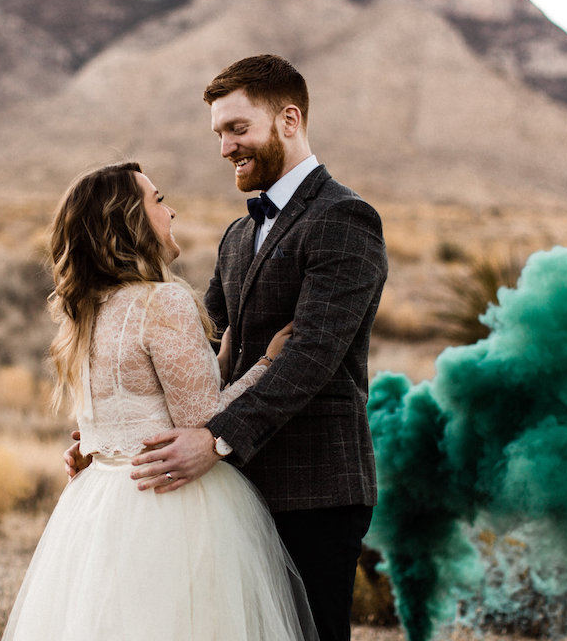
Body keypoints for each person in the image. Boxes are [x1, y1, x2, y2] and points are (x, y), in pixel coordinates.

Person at [67, 55, 389, 641]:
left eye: (238, 129)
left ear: (288, 120)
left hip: (312, 484)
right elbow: (195, 340)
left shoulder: (344, 218)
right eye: (218, 133)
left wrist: (215, 439)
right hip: (230, 485)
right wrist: (116, 427)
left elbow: (311, 355)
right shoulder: (240, 233)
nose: (225, 148)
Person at [4, 161, 316, 641]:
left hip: (99, 503)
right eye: (158, 200)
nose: (170, 212)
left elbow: (123, 409)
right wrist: (266, 365)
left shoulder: (86, 311)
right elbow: (203, 423)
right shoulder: (161, 303)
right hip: (169, 503)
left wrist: (219, 358)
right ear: (129, 220)